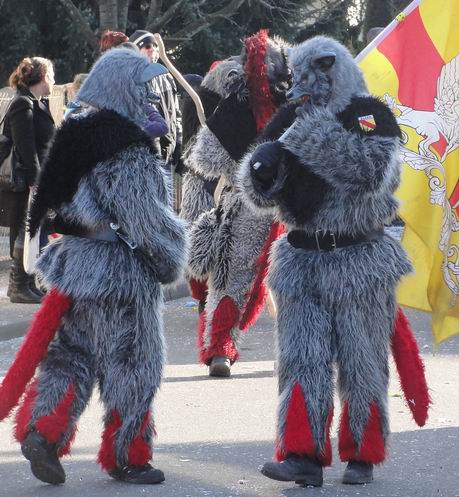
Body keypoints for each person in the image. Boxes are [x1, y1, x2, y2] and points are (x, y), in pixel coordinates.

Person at [240, 36, 430, 486]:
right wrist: (260, 172)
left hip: (358, 257)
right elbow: (256, 196)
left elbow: (367, 172)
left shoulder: (369, 115)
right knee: (301, 360)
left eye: (312, 77)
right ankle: (303, 454)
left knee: (362, 360)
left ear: (331, 71)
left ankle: (362, 453)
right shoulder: (289, 117)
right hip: (302, 257)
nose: (301, 90)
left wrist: (308, 131)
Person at [0, 48, 187, 486]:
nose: (150, 98)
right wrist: (170, 260)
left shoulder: (74, 133)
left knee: (72, 356)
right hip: (121, 274)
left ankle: (43, 431)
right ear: (125, 90)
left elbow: (51, 202)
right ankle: (129, 454)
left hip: (77, 266)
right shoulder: (128, 149)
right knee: (135, 363)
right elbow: (148, 221)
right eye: (143, 89)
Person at [182, 31, 291, 377]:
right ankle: (289, 351)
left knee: (231, 280)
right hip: (288, 207)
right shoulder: (296, 105)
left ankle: (220, 351)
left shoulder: (235, 106)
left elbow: (206, 160)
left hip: (249, 204)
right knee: (291, 282)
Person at [0, 57, 55, 303]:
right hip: (24, 181)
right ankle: (18, 286)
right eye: (52, 75)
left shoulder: (38, 102)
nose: (54, 80)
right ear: (43, 77)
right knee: (25, 231)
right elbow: (25, 147)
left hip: (36, 177)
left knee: (33, 230)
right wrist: (36, 180)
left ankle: (28, 283)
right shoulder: (23, 103)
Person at [130, 30, 182, 171]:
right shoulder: (132, 78)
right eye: (147, 46)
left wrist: (178, 140)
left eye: (154, 45)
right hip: (144, 154)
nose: (152, 49)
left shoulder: (166, 76)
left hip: (167, 152)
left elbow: (175, 112)